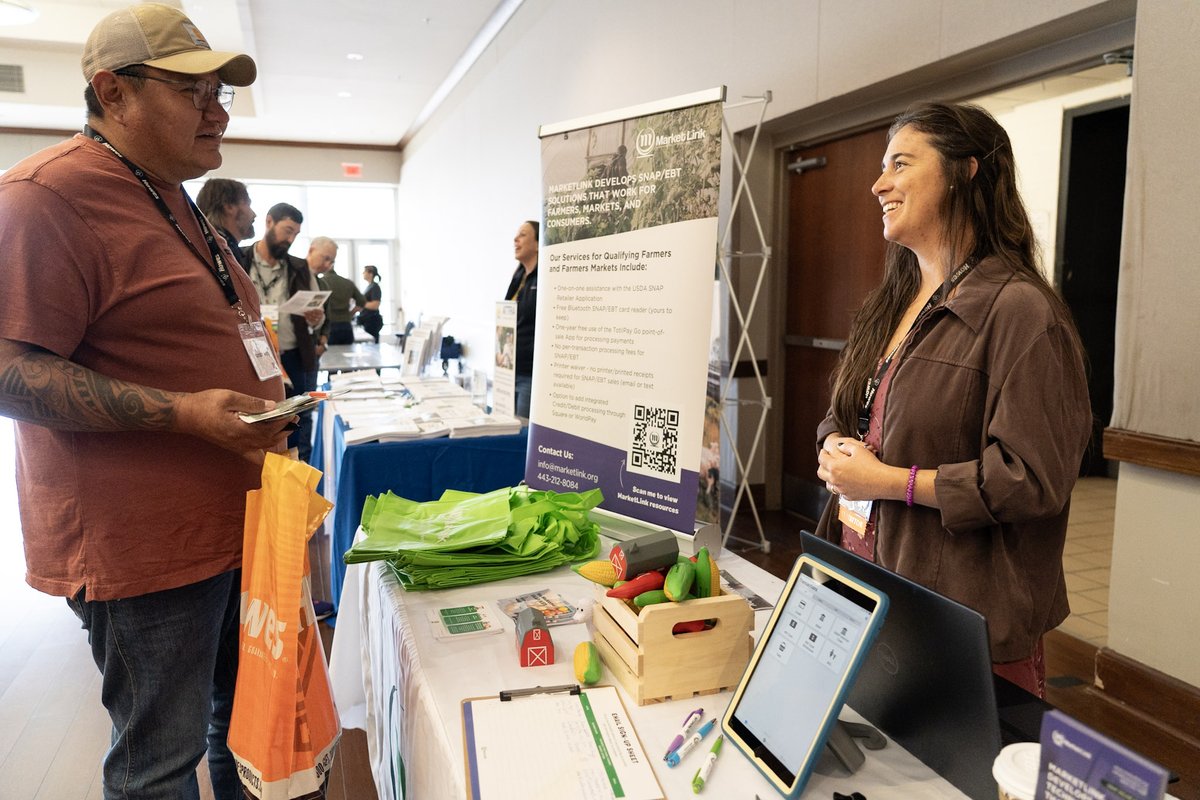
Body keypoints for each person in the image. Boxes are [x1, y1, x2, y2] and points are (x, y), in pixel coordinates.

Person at [0, 4, 294, 798]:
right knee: (158, 762)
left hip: (234, 527)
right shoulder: (46, 196)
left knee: (245, 730)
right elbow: (7, 368)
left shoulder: (171, 198)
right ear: (113, 92)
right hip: (145, 550)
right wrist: (182, 413)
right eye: (194, 91)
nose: (219, 110)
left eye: (221, 93)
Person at [814, 102, 1090, 698]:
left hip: (961, 615)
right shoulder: (892, 301)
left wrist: (888, 482)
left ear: (966, 172)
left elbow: (1031, 478)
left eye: (900, 164)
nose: (878, 183)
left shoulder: (1021, 312)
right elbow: (852, 410)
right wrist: (833, 443)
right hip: (867, 582)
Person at [245, 202, 323, 462]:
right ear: (269, 222)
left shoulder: (300, 268)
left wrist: (315, 318)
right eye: (287, 231)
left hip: (293, 354)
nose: (290, 239)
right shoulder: (237, 259)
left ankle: (299, 477)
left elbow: (316, 316)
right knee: (259, 420)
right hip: (253, 357)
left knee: (299, 420)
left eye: (296, 235)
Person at [503, 220, 539, 417]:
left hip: (529, 373)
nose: (516, 239)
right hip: (508, 370)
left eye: (523, 234)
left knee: (522, 434)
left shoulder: (544, 277)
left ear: (537, 244)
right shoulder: (518, 278)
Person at [308, 237, 366, 346]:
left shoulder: (323, 282)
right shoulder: (347, 283)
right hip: (345, 324)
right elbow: (362, 302)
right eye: (325, 258)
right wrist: (350, 313)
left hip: (329, 326)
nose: (327, 264)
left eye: (330, 261)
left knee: (330, 359)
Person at [196, 177, 255, 268]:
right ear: (229, 207)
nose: (254, 214)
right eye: (248, 204)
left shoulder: (201, 246)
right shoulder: (224, 253)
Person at [357, 265, 384, 344]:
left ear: (370, 274)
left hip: (372, 321)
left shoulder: (375, 287)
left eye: (364, 272)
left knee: (372, 346)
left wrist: (361, 303)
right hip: (366, 320)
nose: (363, 273)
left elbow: (375, 305)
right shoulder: (369, 286)